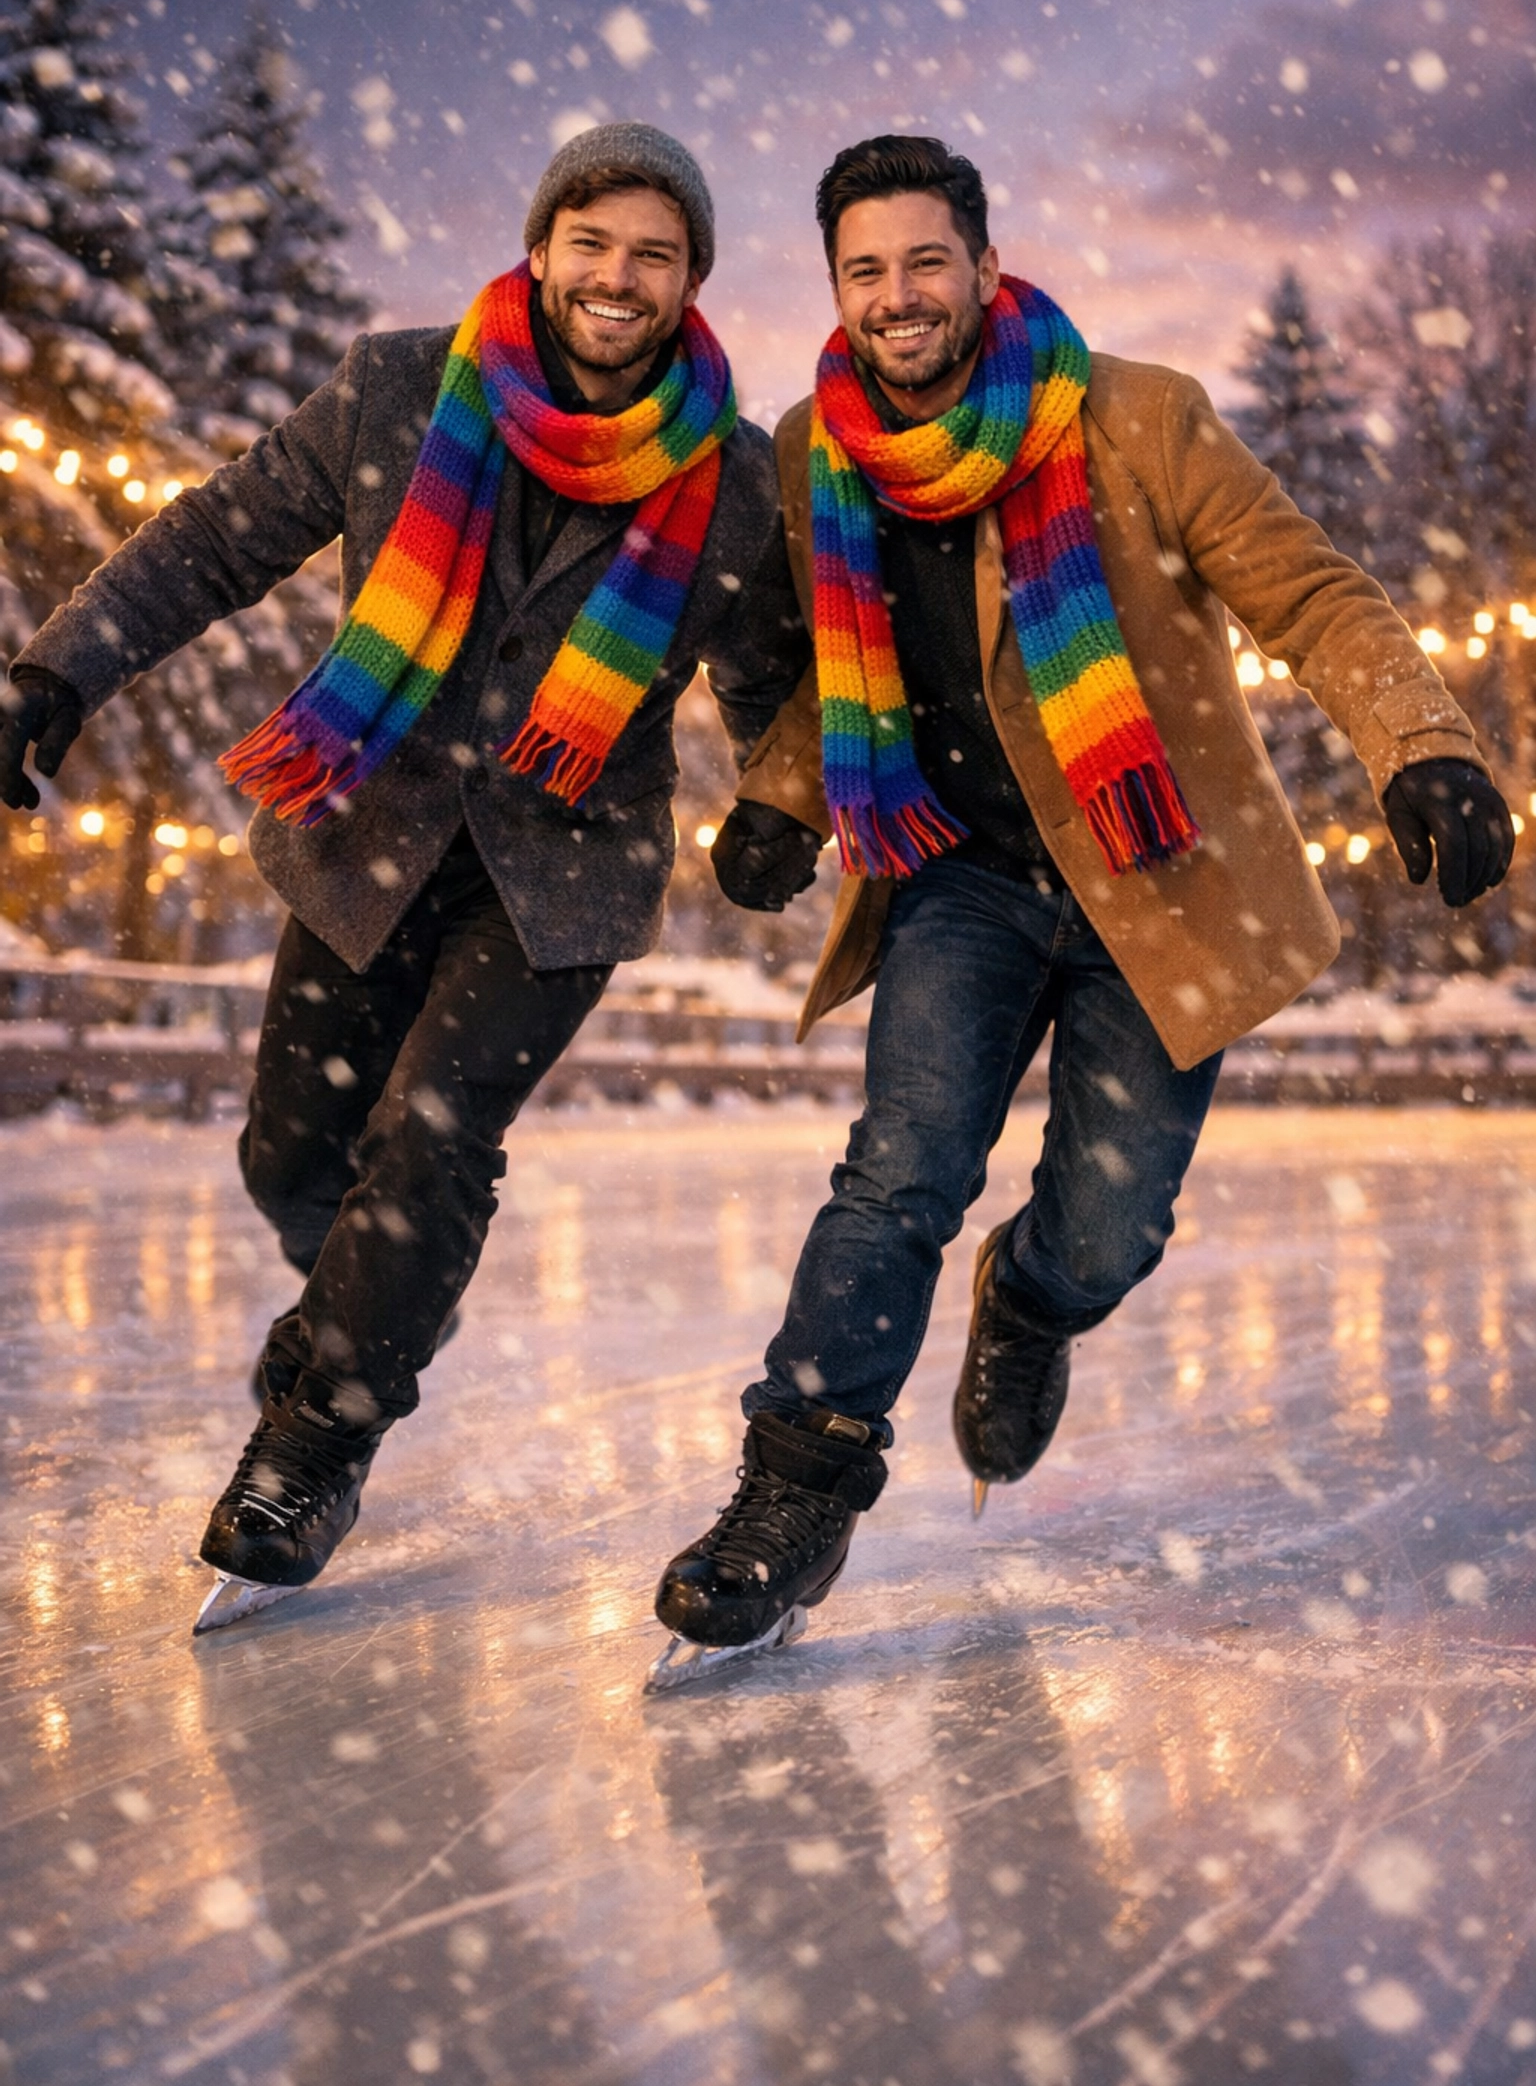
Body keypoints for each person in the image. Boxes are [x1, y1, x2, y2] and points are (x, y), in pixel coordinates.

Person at [647, 132, 1514, 1683]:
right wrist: (780, 801)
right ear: (834, 288)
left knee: (1113, 1228)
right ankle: (792, 1491)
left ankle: (1034, 1301)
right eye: (867, 270)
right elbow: (846, 677)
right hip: (956, 874)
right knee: (897, 1172)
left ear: (983, 265)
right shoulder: (815, 451)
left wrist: (1426, 745)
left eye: (927, 262)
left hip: (1154, 871)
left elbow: (1310, 590)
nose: (900, 297)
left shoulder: (1136, 416)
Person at [0, 122, 808, 1631]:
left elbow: (777, 681)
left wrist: (781, 805)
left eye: (653, 252)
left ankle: (316, 1440)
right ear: (542, 246)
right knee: (293, 1160)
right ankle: (367, 1309)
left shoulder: (738, 483)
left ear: (692, 277)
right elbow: (216, 540)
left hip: (557, 867)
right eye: (593, 242)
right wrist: (57, 676)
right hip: (365, 831)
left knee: (430, 1146)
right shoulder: (396, 388)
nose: (617, 277)